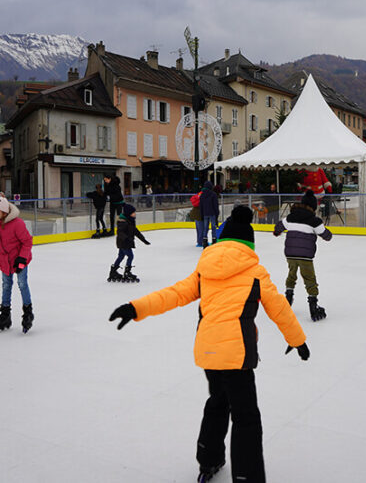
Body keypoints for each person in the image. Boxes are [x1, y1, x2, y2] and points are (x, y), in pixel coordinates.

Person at [109, 205, 309, 483]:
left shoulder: (204, 269)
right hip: (237, 356)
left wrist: (135, 307)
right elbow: (280, 310)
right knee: (246, 417)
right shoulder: (255, 272)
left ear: (222, 239)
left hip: (208, 352)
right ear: (249, 244)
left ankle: (209, 460)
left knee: (217, 403)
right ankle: (246, 476)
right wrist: (297, 340)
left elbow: (174, 294)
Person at [274, 190, 332, 322]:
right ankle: (313, 305)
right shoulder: (314, 221)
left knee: (291, 275)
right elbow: (326, 235)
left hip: (290, 254)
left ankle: (288, 298)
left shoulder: (290, 217)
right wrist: (328, 234)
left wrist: (277, 232)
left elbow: (278, 227)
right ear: (313, 207)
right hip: (305, 256)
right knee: (309, 278)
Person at [0, 197, 34, 333]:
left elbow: (27, 241)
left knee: (22, 284)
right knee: (6, 285)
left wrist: (21, 258)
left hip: (19, 260)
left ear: (3, 211)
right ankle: (5, 314)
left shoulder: (17, 223)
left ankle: (28, 313)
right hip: (4, 261)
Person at [107, 203, 150, 283]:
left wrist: (144, 240)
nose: (135, 214)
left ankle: (113, 271)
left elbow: (136, 232)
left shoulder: (130, 221)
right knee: (130, 256)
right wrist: (126, 239)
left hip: (124, 243)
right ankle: (127, 272)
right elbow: (120, 232)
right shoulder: (123, 222)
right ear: (129, 214)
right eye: (133, 213)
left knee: (121, 256)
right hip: (124, 243)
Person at [200, 181, 219, 248]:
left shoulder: (202, 195)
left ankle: (205, 241)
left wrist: (201, 214)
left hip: (205, 213)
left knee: (205, 227)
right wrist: (217, 213)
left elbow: (201, 206)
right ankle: (214, 240)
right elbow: (215, 205)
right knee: (213, 227)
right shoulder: (213, 194)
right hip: (212, 213)